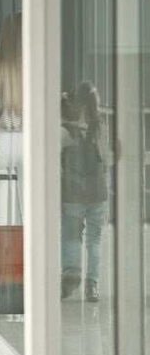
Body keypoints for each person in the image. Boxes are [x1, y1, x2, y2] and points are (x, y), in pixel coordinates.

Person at [60, 82, 109, 302]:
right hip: (97, 192)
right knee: (94, 240)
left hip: (73, 192)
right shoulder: (100, 125)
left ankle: (71, 274)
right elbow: (108, 156)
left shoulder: (68, 127)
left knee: (72, 236)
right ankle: (93, 285)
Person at [0, 12, 23, 225]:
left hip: (2, 142)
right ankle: (30, 257)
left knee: (0, 218)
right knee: (31, 213)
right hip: (28, 142)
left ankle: (3, 257)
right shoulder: (34, 66)